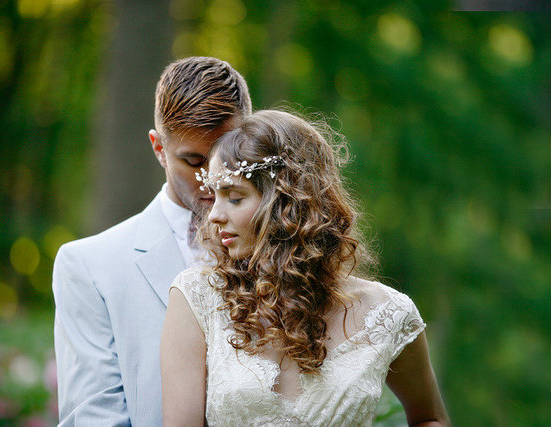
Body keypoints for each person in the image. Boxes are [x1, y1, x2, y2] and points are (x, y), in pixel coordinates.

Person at [161, 110, 450, 426]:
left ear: (288, 204)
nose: (214, 215)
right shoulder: (198, 297)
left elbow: (429, 418)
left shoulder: (387, 313)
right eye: (214, 196)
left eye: (234, 197)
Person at [53, 56, 252, 426]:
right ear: (159, 148)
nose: (212, 178)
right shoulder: (89, 266)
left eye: (227, 158)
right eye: (194, 161)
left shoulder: (289, 250)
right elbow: (94, 417)